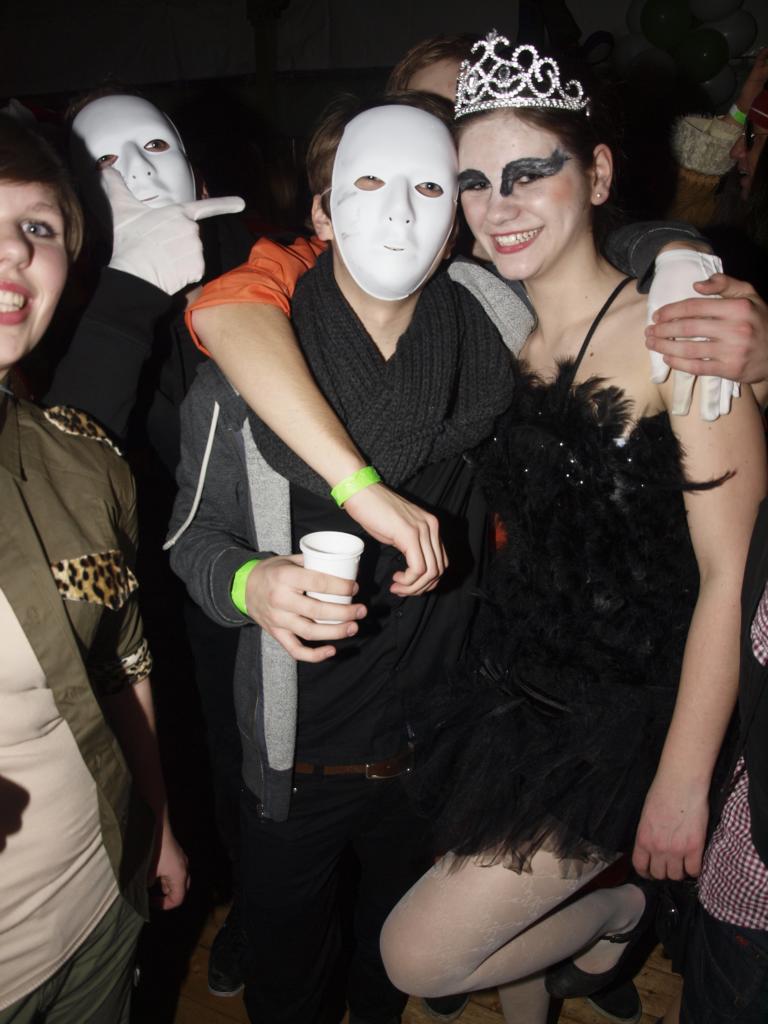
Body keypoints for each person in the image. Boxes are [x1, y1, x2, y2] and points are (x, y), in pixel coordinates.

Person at [367, 34, 766, 1024]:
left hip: (626, 720)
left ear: (598, 174)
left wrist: (681, 782)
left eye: (529, 173)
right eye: (473, 182)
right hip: (512, 682)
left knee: (417, 955)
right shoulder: (500, 333)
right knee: (505, 938)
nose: (497, 206)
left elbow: (732, 576)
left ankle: (620, 911)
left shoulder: (681, 335)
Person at [167, 89, 524, 1024]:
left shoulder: (497, 361)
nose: (399, 212)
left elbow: (599, 263)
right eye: (367, 184)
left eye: (428, 188)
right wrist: (252, 583)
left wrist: (681, 254)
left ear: (454, 227)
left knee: (385, 967)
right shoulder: (243, 382)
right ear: (320, 216)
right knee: (287, 983)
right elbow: (188, 543)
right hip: (297, 770)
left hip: (431, 753)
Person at [0, 113, 187, 1024]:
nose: (12, 251)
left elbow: (121, 664)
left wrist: (156, 824)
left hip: (97, 913)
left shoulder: (81, 455)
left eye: (36, 227)